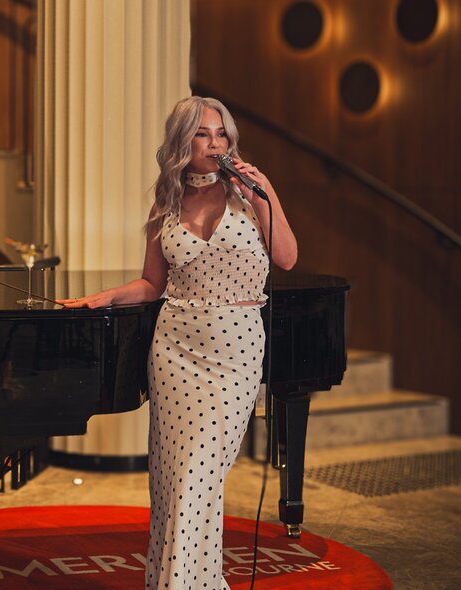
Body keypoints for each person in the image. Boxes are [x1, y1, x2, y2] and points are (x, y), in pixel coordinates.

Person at [59, 96, 297, 589]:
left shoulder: (250, 198)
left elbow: (289, 259)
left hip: (234, 353)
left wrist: (265, 190)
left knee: (198, 480)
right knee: (174, 484)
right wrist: (103, 298)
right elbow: (151, 284)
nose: (216, 143)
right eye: (204, 134)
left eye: (222, 134)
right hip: (174, 352)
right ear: (181, 143)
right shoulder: (165, 205)